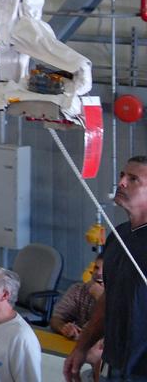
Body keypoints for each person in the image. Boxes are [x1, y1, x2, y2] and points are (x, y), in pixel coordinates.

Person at [65, 156, 147, 382]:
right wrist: (83, 347)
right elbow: (108, 299)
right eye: (122, 176)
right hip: (118, 361)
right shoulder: (118, 236)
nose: (121, 183)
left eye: (133, 179)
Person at [52, 254, 104, 379]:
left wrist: (101, 299)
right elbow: (56, 318)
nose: (99, 273)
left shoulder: (124, 299)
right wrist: (63, 328)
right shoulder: (79, 289)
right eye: (96, 268)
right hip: (80, 352)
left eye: (105, 270)